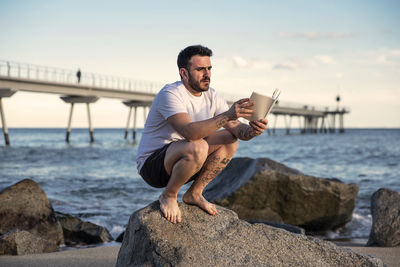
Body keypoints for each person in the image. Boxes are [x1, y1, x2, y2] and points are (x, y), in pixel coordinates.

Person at [136, 45, 268, 224]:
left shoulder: (212, 96)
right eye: (200, 69)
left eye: (209, 68)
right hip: (154, 166)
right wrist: (228, 114)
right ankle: (169, 194)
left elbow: (238, 131)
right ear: (184, 73)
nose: (207, 74)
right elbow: (190, 132)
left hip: (187, 161)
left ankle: (194, 193)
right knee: (198, 145)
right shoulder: (171, 94)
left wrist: (252, 131)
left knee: (230, 140)